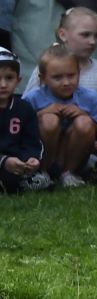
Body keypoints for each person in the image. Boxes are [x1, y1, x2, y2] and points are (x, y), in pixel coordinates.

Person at [26, 45, 97, 186]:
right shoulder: (32, 98)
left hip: (72, 153)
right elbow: (23, 129)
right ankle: (42, 172)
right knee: (49, 120)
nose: (66, 82)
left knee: (85, 122)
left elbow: (96, 131)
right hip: (41, 153)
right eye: (57, 77)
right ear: (42, 78)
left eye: (71, 75)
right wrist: (42, 113)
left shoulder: (91, 98)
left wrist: (82, 114)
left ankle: (68, 174)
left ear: (79, 73)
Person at [23, 6, 97, 101]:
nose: (92, 41)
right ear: (62, 35)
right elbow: (27, 107)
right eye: (85, 35)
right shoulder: (47, 67)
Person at [0, 47, 52, 192]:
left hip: (17, 162)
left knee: (48, 174)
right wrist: (4, 161)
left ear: (18, 80)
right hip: (3, 162)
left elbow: (32, 140)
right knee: (9, 179)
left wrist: (31, 159)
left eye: (9, 78)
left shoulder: (24, 109)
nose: (3, 85)